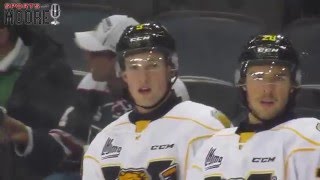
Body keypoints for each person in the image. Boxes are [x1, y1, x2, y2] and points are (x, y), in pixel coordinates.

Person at [82, 22, 231, 180]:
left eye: (153, 65)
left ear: (170, 69)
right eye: (134, 67)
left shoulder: (207, 125)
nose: (143, 78)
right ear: (124, 75)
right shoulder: (103, 140)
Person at [187, 34, 320, 179]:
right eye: (258, 77)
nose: (267, 90)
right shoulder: (212, 146)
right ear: (243, 83)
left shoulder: (311, 138)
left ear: (293, 85)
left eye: (279, 78)